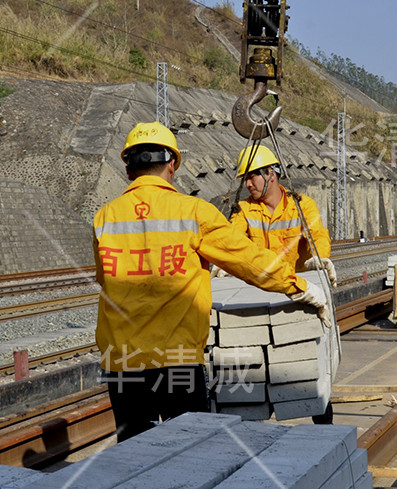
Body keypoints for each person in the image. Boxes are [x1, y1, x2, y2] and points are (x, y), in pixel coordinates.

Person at [93, 122, 331, 442]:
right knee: (194, 451)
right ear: (173, 164)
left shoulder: (104, 217)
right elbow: (249, 261)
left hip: (121, 362)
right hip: (176, 360)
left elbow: (104, 277)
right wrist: (299, 286)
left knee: (135, 454)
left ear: (128, 169)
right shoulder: (193, 212)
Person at [215, 145, 336, 285]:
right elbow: (234, 239)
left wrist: (319, 257)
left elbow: (317, 236)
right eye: (245, 179)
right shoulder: (243, 210)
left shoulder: (302, 205)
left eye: (252, 177)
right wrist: (225, 259)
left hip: (299, 286)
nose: (248, 184)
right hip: (261, 288)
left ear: (270, 174)